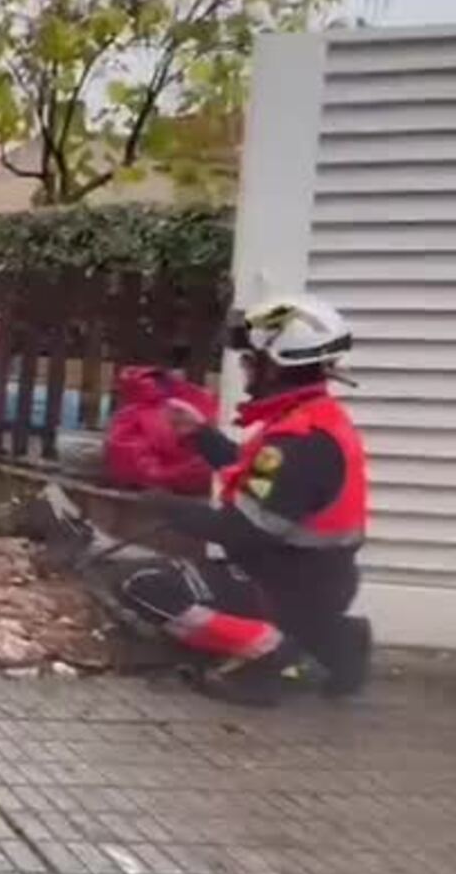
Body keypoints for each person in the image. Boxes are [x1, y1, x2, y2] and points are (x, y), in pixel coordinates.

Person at [121, 295, 372, 707]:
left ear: (275, 365)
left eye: (250, 360)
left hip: (283, 585)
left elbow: (243, 531)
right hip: (315, 583)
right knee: (206, 585)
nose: (246, 368)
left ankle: (274, 654)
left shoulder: (301, 442)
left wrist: (166, 506)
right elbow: (264, 484)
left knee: (144, 586)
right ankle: (337, 640)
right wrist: (200, 435)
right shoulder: (313, 421)